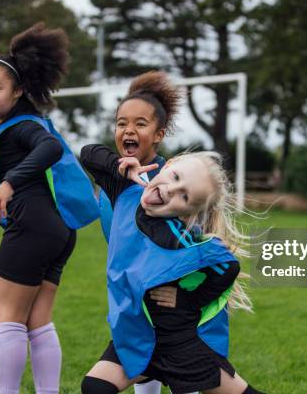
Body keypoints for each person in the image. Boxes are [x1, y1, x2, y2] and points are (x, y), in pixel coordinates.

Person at [79, 146, 264, 394]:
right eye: (175, 177)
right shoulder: (125, 192)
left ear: (187, 211)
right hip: (139, 337)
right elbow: (89, 154)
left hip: (180, 342)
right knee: (95, 386)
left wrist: (188, 299)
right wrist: (120, 165)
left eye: (184, 196)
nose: (171, 189)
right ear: (168, 165)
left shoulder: (179, 236)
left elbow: (227, 266)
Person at [0, 23, 97, 394]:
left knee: (9, 318)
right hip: (60, 232)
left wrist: (9, 184)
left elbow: (51, 148)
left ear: (18, 90)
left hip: (31, 227)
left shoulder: (21, 127)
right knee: (38, 321)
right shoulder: (16, 123)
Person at [96, 70, 192, 394]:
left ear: (160, 133)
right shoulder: (113, 181)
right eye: (121, 123)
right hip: (135, 304)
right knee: (139, 375)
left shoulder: (175, 179)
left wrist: (186, 294)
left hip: (177, 307)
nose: (128, 130)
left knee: (186, 380)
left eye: (140, 123)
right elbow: (88, 152)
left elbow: (198, 246)